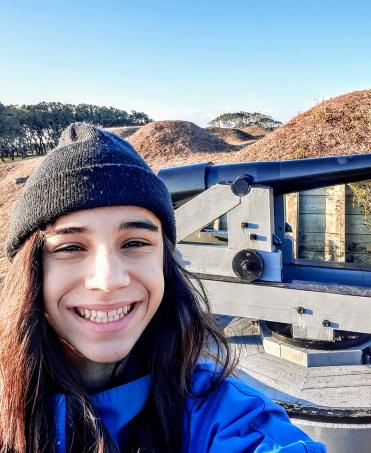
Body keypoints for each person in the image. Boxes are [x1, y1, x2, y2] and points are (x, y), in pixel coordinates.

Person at [0, 122, 326, 453]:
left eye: (136, 242)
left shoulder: (226, 417)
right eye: (70, 247)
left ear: (165, 263)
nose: (109, 279)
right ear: (31, 270)